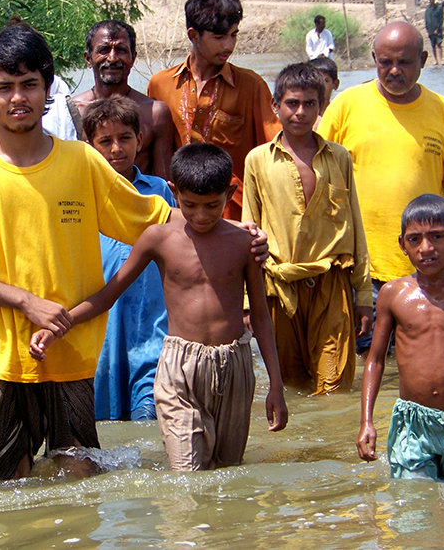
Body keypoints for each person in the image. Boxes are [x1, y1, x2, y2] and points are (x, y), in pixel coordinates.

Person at [0, 23, 269, 481]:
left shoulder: (81, 161)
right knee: (8, 486)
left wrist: (237, 231)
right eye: (4, 87)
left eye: (30, 85)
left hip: (71, 353)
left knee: (80, 479)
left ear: (48, 88)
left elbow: (155, 216)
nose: (18, 98)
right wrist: (26, 302)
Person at [31, 142, 288, 471]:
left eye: (212, 205)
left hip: (234, 364)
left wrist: (276, 386)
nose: (201, 216)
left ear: (231, 192)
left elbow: (262, 319)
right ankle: (179, 525)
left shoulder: (244, 244)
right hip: (179, 367)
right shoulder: (158, 238)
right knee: (186, 475)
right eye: (190, 205)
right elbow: (109, 295)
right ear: (173, 192)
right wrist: (58, 326)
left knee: (227, 473)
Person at [318, 21, 444, 355]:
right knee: (365, 361)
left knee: (427, 361)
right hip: (359, 272)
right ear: (374, 58)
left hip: (426, 269)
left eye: (404, 62)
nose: (394, 71)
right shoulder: (346, 107)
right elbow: (312, 178)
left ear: (423, 60)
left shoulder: (443, 111)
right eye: (385, 62)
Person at [242, 63, 372, 395]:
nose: (300, 113)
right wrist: (247, 301)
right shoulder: (258, 160)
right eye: (292, 103)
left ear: (322, 107)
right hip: (280, 286)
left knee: (334, 386)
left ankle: (334, 447)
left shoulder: (339, 157)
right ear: (276, 106)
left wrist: (364, 296)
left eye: (310, 104)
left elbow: (354, 224)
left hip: (332, 283)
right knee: (291, 387)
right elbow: (249, 231)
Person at [356, 194, 444, 484]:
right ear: (402, 245)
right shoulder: (394, 294)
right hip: (413, 424)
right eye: (415, 239)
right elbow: (375, 360)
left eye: (437, 237)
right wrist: (367, 421)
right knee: (412, 505)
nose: (426, 248)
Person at [147, 0, 280, 220]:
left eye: (234, 35)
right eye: (219, 37)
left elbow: (274, 152)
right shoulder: (161, 85)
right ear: (193, 35)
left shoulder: (251, 86)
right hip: (180, 216)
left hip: (236, 217)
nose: (229, 45)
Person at [82, 95, 176, 421]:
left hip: (152, 323)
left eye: (124, 138)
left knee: (150, 412)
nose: (116, 149)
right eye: (104, 141)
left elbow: (180, 247)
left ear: (140, 140)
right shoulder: (79, 196)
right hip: (103, 324)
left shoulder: (159, 191)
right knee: (104, 418)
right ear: (89, 146)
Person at [73, 20, 174, 179]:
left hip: (140, 201)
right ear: (88, 58)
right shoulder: (73, 111)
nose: (112, 58)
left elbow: (164, 184)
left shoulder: (155, 113)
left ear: (133, 58)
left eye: (120, 50)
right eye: (104, 50)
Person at [309, 55, 339, 124]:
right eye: (314, 80)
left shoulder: (338, 113)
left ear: (335, 84)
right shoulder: (301, 115)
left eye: (325, 81)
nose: (319, 85)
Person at [424, 0, 443, 66]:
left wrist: (438, 29)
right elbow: (426, 20)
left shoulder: (438, 8)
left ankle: (441, 60)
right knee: (433, 45)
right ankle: (435, 60)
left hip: (437, 30)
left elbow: (441, 19)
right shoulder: (427, 10)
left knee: (439, 44)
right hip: (430, 30)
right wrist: (428, 30)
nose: (432, 0)